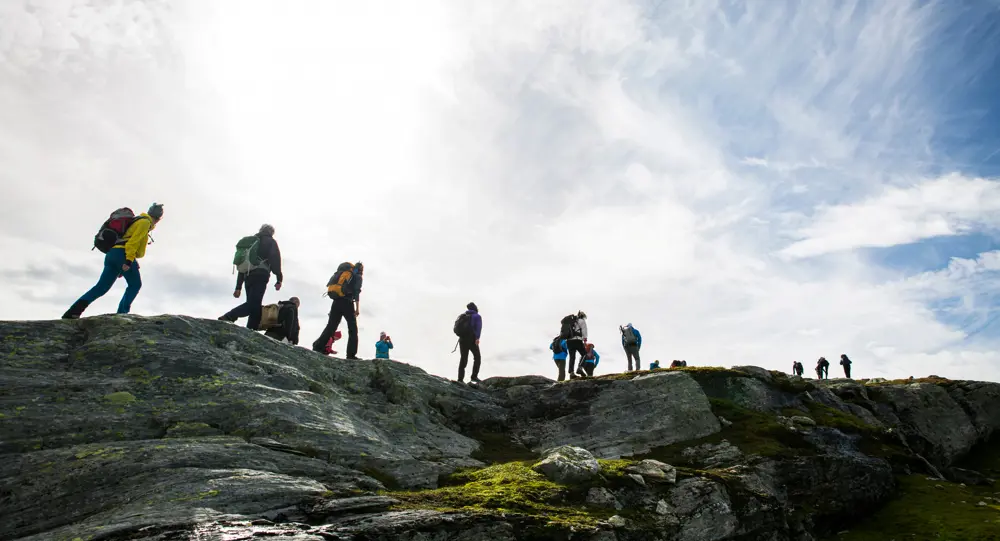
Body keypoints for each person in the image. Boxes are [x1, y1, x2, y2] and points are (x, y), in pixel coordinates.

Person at [63, 203, 164, 319]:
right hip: (123, 254)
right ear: (159, 218)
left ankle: (73, 312)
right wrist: (129, 261)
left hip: (112, 254)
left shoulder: (137, 221)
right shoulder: (145, 223)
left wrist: (129, 260)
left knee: (101, 287)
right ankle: (122, 314)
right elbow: (133, 243)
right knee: (135, 284)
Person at [219, 224, 283, 330]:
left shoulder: (250, 243)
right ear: (271, 232)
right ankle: (229, 316)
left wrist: (238, 287)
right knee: (253, 304)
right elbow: (275, 259)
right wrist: (279, 278)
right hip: (261, 274)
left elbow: (243, 266)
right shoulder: (270, 242)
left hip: (248, 276)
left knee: (255, 305)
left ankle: (251, 330)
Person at [312, 262, 364, 360]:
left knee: (331, 326)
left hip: (336, 302)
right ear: (360, 269)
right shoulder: (357, 277)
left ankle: (318, 346)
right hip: (347, 302)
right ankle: (351, 355)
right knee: (352, 329)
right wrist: (357, 308)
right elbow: (357, 291)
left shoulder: (345, 274)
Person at [452, 302, 483, 383]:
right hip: (471, 339)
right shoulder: (477, 316)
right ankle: (474, 377)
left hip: (462, 339)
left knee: (463, 359)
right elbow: (478, 328)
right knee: (477, 358)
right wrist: (477, 338)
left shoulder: (463, 316)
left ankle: (460, 379)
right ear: (475, 308)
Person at [560, 311, 588, 379]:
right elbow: (584, 331)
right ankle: (580, 368)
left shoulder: (570, 321)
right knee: (584, 354)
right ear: (583, 316)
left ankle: (571, 373)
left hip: (569, 341)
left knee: (572, 357)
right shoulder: (581, 321)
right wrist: (585, 340)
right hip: (577, 340)